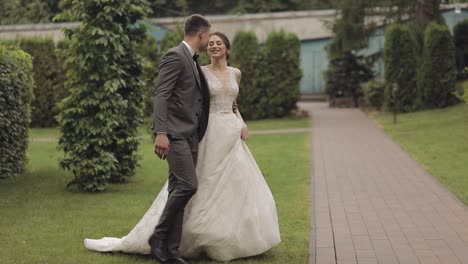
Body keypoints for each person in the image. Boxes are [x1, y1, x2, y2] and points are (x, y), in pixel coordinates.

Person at [83, 26, 281, 263]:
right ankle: (178, 236)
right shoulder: (201, 72)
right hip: (208, 132)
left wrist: (242, 122)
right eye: (211, 43)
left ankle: (232, 236)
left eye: (219, 43)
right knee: (197, 181)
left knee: (236, 184)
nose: (214, 46)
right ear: (207, 47)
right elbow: (190, 99)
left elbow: (233, 103)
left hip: (232, 134)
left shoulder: (236, 73)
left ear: (227, 48)